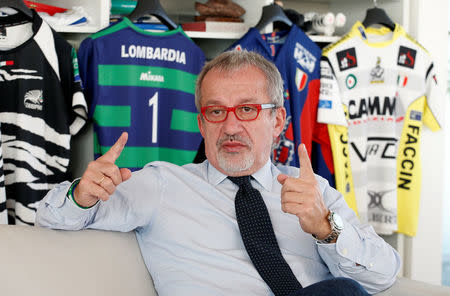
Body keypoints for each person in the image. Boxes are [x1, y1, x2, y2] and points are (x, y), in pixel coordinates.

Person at [36, 50, 400, 296]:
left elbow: (384, 274)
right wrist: (81, 195)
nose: (229, 127)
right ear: (201, 124)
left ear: (278, 121)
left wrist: (326, 227)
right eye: (215, 112)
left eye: (246, 110)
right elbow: (50, 217)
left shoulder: (313, 192)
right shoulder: (162, 184)